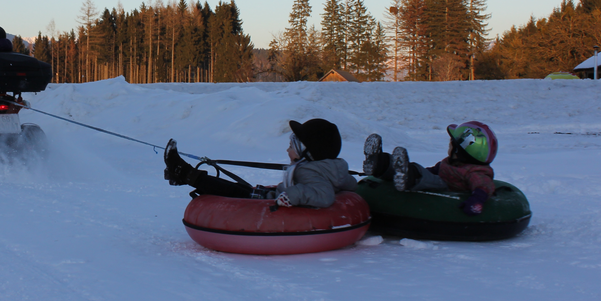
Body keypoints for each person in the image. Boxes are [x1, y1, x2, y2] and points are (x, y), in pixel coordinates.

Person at [163, 118, 358, 208]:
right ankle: (184, 173)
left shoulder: (308, 172)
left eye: (291, 146)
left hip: (272, 201)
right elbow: (346, 186)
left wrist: (291, 195)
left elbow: (324, 195)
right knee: (238, 189)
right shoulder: (331, 169)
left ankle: (183, 173)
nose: (287, 151)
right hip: (272, 195)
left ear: (306, 153)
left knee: (233, 191)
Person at [361, 121, 498, 215]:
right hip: (433, 179)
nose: (449, 147)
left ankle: (407, 176)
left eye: (452, 145)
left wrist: (476, 202)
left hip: (444, 190)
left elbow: (484, 187)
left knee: (424, 177)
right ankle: (381, 164)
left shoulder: (475, 173)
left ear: (458, 151)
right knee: (417, 171)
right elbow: (433, 171)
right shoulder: (449, 164)